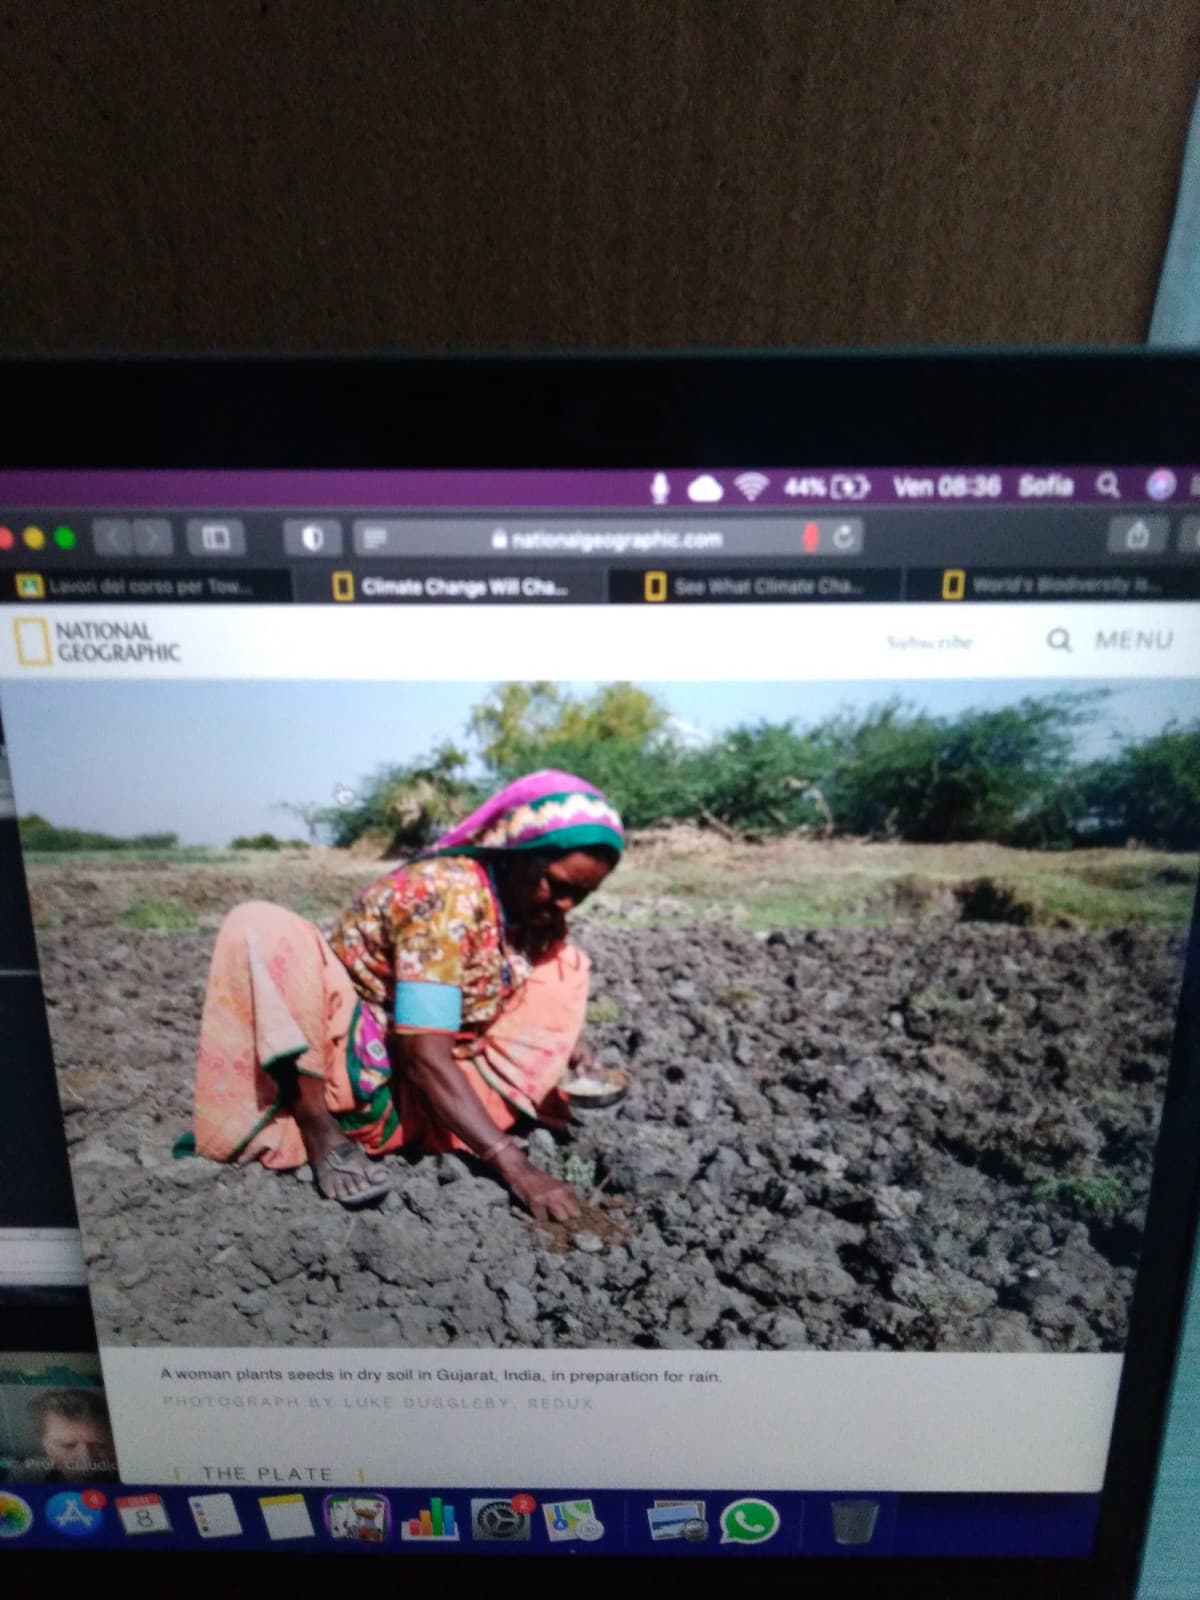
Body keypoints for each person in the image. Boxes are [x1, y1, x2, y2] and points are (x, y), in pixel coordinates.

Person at [186, 770, 623, 1222]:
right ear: (514, 853)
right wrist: (518, 1167)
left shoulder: (533, 912)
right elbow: (423, 1057)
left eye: (583, 894)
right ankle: (316, 1124)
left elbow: (502, 990)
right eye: (557, 884)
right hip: (352, 1065)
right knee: (262, 926)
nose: (567, 904)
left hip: (433, 1069)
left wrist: (566, 1049)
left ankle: (447, 1119)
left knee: (564, 962)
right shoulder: (444, 895)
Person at [19, 1389, 117, 1482]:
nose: (86, 1460)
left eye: (100, 1446)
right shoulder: (24, 1477)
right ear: (43, 1443)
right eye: (67, 1445)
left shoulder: (126, 1472)